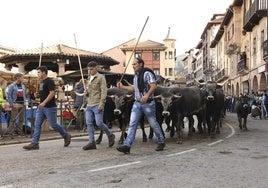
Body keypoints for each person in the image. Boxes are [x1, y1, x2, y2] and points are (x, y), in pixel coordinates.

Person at [116, 57, 165, 154]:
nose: (133, 66)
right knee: (132, 123)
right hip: (137, 103)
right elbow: (134, 88)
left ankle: (161, 141)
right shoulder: (136, 77)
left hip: (148, 104)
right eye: (132, 64)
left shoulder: (147, 73)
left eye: (135, 64)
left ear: (141, 64)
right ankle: (127, 145)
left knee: (153, 123)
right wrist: (122, 87)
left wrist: (147, 95)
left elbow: (153, 85)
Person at [23, 66, 71, 150]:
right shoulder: (41, 82)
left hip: (49, 107)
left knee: (54, 125)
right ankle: (35, 143)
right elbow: (44, 94)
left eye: (38, 72)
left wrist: (44, 102)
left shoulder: (49, 81)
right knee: (37, 125)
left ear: (44, 72)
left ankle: (66, 135)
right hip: (42, 107)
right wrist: (37, 96)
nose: (37, 74)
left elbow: (52, 93)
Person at [82, 61, 115, 150]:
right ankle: (91, 142)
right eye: (88, 69)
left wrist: (102, 103)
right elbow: (89, 92)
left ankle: (110, 135)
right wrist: (86, 92)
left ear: (96, 68)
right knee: (89, 123)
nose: (90, 71)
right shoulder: (89, 78)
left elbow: (104, 91)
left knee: (99, 123)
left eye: (91, 69)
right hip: (89, 104)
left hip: (97, 104)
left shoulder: (101, 77)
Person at [6, 73, 26, 138]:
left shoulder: (23, 86)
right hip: (15, 103)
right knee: (13, 118)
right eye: (22, 77)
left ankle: (19, 131)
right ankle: (10, 132)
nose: (23, 79)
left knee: (21, 119)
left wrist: (25, 103)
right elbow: (9, 95)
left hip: (22, 103)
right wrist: (12, 104)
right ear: (18, 78)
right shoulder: (12, 86)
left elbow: (24, 95)